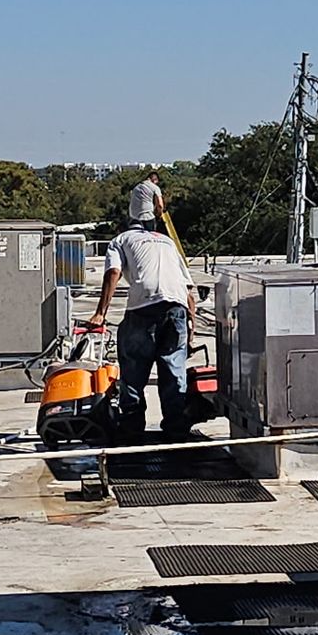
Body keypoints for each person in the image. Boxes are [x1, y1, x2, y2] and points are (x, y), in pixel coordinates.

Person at [91, 172, 200, 442]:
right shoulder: (168, 242)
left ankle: (131, 428)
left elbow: (113, 273)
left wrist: (100, 313)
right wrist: (191, 327)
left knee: (133, 369)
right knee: (173, 370)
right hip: (176, 310)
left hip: (143, 308)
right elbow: (188, 291)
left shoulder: (121, 240)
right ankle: (176, 429)